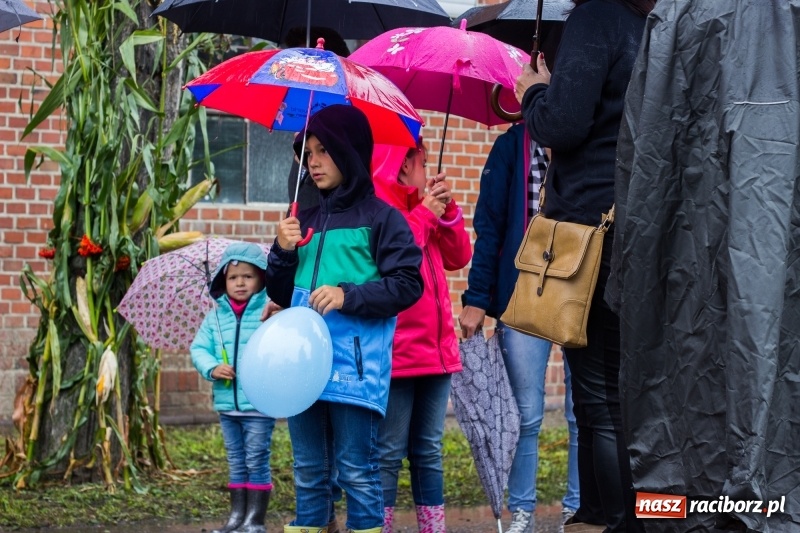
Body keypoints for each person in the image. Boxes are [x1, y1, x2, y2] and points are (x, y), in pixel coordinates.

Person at [514, 0, 655, 531]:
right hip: (643, 227)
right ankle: (598, 510)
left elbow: (562, 123)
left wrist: (532, 89)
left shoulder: (595, 17)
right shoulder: (652, 24)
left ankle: (622, 521)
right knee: (619, 392)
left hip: (592, 231)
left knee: (599, 397)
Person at [265, 104, 424, 533]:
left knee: (357, 470)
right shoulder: (303, 220)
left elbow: (409, 284)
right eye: (308, 152)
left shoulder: (382, 219)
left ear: (349, 153)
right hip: (303, 371)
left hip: (355, 372)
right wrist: (281, 251)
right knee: (308, 472)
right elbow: (280, 292)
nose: (312, 162)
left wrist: (347, 294)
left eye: (323, 151)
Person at [458, 121, 580, 533]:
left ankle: (578, 508)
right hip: (521, 295)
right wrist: (476, 300)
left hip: (579, 293)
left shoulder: (585, 141)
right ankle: (522, 513)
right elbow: (488, 228)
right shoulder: (511, 147)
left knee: (582, 412)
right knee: (525, 414)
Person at [371, 139, 472, 533]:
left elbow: (458, 257)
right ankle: (378, 528)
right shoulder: (382, 210)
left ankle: (434, 529)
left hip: (436, 352)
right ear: (401, 165)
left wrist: (447, 212)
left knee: (428, 451)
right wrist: (425, 215)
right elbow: (393, 260)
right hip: (399, 355)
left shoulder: (423, 207)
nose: (428, 171)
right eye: (422, 163)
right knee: (388, 453)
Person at [191, 242, 276, 533]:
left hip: (258, 405)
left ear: (262, 279)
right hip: (228, 404)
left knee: (256, 458)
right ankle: (236, 517)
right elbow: (199, 348)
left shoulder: (267, 313)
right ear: (222, 282)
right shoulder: (216, 317)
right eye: (232, 277)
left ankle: (255, 519)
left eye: (248, 276)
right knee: (236, 460)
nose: (240, 283)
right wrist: (213, 367)